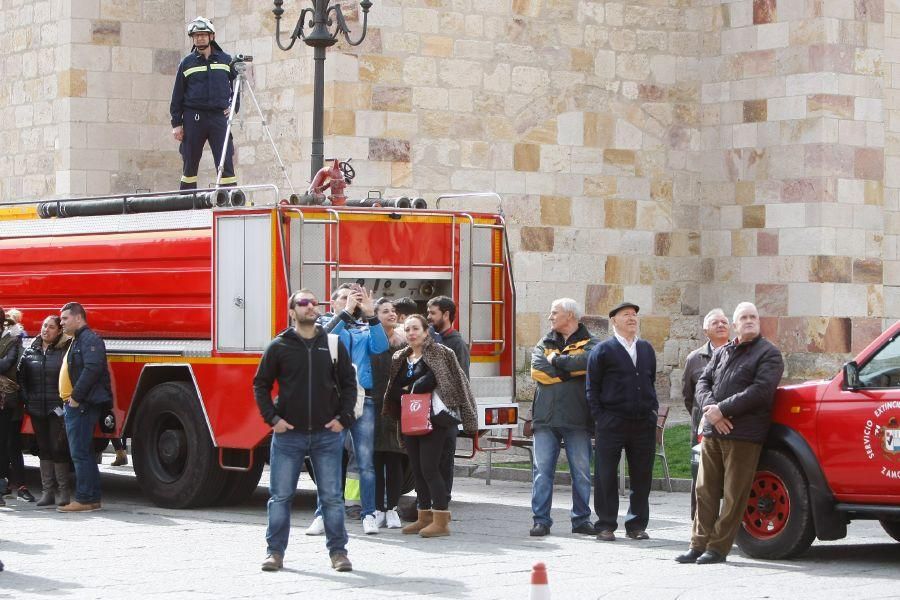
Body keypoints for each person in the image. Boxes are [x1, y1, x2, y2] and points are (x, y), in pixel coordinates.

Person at [254, 289, 357, 573]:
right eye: (303, 302)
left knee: (332, 498)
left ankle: (339, 553)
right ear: (292, 311)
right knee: (281, 497)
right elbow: (260, 384)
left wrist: (344, 418)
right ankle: (275, 553)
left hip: (327, 435)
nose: (311, 306)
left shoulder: (333, 344)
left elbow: (349, 384)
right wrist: (272, 419)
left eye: (314, 302)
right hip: (289, 435)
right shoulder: (279, 346)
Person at [676, 302, 784, 565]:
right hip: (714, 431)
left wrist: (721, 410)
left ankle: (718, 548)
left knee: (734, 495)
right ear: (736, 324)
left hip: (743, 433)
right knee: (705, 491)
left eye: (753, 317)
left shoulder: (768, 353)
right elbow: (702, 382)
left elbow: (760, 391)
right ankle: (697, 544)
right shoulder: (723, 351)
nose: (749, 321)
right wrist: (711, 410)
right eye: (744, 317)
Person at [383, 315, 478, 537]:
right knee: (416, 469)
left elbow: (452, 383)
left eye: (416, 328)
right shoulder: (400, 356)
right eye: (407, 329)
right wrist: (412, 388)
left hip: (436, 419)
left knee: (430, 469)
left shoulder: (441, 353)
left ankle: (441, 519)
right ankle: (423, 516)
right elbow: (394, 389)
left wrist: (417, 385)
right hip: (410, 419)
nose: (411, 333)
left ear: (426, 331)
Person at [306, 284, 388, 536]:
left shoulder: (364, 327)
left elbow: (381, 347)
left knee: (365, 462)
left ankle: (369, 514)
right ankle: (322, 515)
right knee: (329, 459)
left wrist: (371, 314)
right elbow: (322, 340)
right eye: (343, 298)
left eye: (353, 298)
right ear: (333, 304)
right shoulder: (326, 324)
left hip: (364, 401)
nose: (350, 301)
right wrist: (346, 313)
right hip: (334, 401)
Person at [586, 301, 658, 542]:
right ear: (614, 320)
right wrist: (601, 418)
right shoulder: (603, 350)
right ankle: (605, 524)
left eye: (635, 315)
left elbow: (650, 381)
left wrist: (652, 412)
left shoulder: (646, 349)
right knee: (605, 474)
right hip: (612, 422)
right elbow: (591, 388)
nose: (632, 318)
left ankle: (636, 524)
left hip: (642, 423)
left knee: (642, 475)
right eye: (626, 314)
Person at [529, 298, 601, 537]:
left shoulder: (592, 343)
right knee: (541, 472)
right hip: (545, 418)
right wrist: (569, 372)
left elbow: (590, 363)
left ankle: (581, 520)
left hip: (577, 417)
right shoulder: (544, 342)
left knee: (580, 471)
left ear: (569, 315)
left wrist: (557, 363)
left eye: (554, 313)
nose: (550, 317)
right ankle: (541, 521)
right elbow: (538, 370)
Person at [170, 16, 238, 190]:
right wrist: (177, 123)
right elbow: (177, 95)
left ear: (211, 36)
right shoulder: (186, 63)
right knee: (190, 163)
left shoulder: (226, 60)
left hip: (218, 117)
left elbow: (238, 87)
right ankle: (187, 203)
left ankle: (228, 199)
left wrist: (233, 108)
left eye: (203, 34)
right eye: (196, 35)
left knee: (225, 161)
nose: (199, 38)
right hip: (194, 118)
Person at [57, 302, 113, 513]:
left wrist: (76, 397)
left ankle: (85, 498)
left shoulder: (89, 339)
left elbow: (92, 368)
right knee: (84, 453)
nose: (61, 322)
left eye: (64, 318)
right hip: (78, 404)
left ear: (78, 318)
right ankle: (92, 497)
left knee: (80, 453)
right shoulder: (78, 340)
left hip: (81, 405)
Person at [18, 316, 73, 507]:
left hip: (56, 409)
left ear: (59, 331)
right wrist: (27, 399)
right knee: (44, 449)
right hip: (36, 408)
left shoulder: (64, 351)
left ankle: (63, 492)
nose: (46, 330)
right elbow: (21, 378)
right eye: (44, 326)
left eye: (51, 327)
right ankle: (47, 492)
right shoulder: (30, 351)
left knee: (59, 448)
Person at [682, 308, 730, 519]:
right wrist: (704, 416)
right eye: (715, 323)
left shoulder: (739, 353)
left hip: (732, 424)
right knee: (701, 474)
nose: (720, 325)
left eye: (724, 322)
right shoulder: (695, 358)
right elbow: (688, 395)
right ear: (705, 331)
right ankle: (699, 522)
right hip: (702, 428)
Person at [426, 295, 470, 501]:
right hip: (428, 409)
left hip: (446, 412)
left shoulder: (457, 343)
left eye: (432, 313)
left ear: (446, 314)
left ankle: (442, 500)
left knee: (444, 458)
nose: (429, 317)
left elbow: (460, 380)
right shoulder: (430, 338)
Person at [369, 298, 407, 529]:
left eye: (393, 310)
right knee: (374, 461)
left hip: (396, 408)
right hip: (372, 406)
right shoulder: (370, 341)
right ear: (376, 316)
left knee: (394, 460)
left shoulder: (404, 342)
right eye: (385, 311)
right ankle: (375, 508)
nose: (391, 314)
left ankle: (391, 508)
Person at [0, 308, 28, 504]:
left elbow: (6, 364)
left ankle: (8, 486)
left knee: (7, 443)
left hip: (7, 398)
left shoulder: (13, 339)